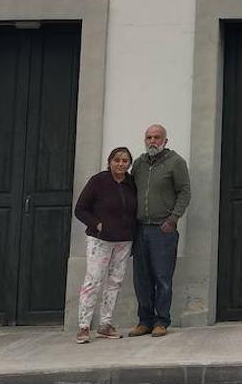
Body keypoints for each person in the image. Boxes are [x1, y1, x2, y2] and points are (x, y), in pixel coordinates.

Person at [129, 123, 191, 337]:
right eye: (149, 137)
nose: (152, 141)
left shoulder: (176, 162)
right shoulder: (138, 164)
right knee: (141, 278)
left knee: (163, 278)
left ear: (165, 141)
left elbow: (184, 192)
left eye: (157, 137)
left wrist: (173, 219)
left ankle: (161, 321)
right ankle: (144, 320)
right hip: (140, 230)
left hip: (162, 230)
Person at [73, 146, 137, 344]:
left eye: (125, 161)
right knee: (93, 281)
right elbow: (80, 209)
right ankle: (83, 326)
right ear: (110, 161)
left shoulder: (131, 183)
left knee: (115, 282)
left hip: (123, 240)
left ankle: (105, 324)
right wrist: (97, 224)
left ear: (129, 164)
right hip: (100, 240)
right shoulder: (98, 181)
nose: (120, 164)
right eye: (117, 160)